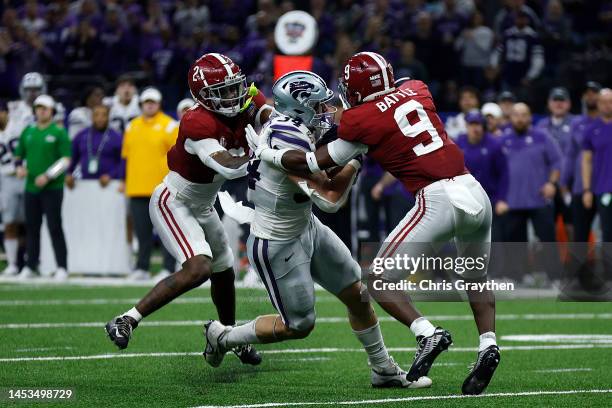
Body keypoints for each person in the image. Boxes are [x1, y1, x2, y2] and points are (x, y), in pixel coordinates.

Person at [251, 52, 499, 395]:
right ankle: (488, 343)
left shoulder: (360, 119)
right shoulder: (417, 89)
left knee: (378, 279)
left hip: (437, 198)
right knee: (476, 276)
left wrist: (267, 153)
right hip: (475, 191)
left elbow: (311, 162)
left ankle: (427, 332)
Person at [205, 71, 430, 389]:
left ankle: (382, 369)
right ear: (298, 107)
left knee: (358, 294)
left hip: (304, 224)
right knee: (299, 325)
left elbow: (319, 176)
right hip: (277, 241)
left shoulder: (292, 125)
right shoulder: (288, 136)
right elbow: (330, 199)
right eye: (318, 104)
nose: (326, 111)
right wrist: (355, 160)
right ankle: (223, 336)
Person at [105, 53, 272, 366]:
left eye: (234, 87)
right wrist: (267, 152)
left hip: (204, 203)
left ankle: (227, 335)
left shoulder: (244, 99)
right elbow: (232, 168)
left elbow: (269, 115)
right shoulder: (197, 122)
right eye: (222, 91)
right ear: (203, 96)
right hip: (175, 200)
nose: (233, 95)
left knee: (225, 269)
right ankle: (126, 318)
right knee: (199, 268)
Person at [120, 87, 177, 280]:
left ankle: (168, 268)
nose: (149, 105)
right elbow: (126, 156)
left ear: (159, 104)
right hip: (136, 187)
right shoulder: (131, 126)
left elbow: (176, 157)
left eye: (152, 102)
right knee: (141, 231)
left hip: (161, 187)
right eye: (146, 102)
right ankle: (142, 267)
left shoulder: (170, 125)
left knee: (165, 230)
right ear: (141, 104)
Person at [14, 95, 71, 280]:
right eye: (38, 107)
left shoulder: (59, 132)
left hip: (53, 188)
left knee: (55, 226)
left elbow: (65, 160)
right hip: (31, 187)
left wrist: (48, 175)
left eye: (45, 108)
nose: (41, 111)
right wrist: (20, 168)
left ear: (52, 110)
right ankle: (31, 265)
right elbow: (18, 155)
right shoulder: (28, 131)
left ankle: (62, 266)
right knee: (32, 227)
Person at [0, 72, 46, 276]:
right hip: (7, 174)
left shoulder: (48, 109)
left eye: (36, 89)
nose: (32, 94)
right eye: (29, 90)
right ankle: (12, 263)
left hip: (30, 173)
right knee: (10, 220)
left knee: (31, 221)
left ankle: (32, 261)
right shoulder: (14, 108)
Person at [455, 112, 508, 242]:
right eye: (472, 124)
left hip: (490, 200)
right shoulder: (458, 143)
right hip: (466, 200)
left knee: (493, 241)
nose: (475, 128)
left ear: (483, 126)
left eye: (478, 124)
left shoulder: (494, 144)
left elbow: (504, 174)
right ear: (466, 126)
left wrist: (502, 199)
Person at [582, 88, 612, 284]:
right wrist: (586, 189)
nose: (607, 105)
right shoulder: (591, 129)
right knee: (607, 233)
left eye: (610, 101)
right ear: (598, 104)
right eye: (603, 101)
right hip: (603, 189)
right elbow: (586, 161)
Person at [66, 105, 123, 189]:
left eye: (104, 115)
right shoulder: (81, 136)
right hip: (83, 185)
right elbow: (73, 159)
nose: (100, 118)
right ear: (91, 117)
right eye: (96, 115)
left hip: (110, 185)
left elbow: (122, 162)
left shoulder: (117, 137)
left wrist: (111, 175)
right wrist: (69, 174)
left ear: (108, 117)